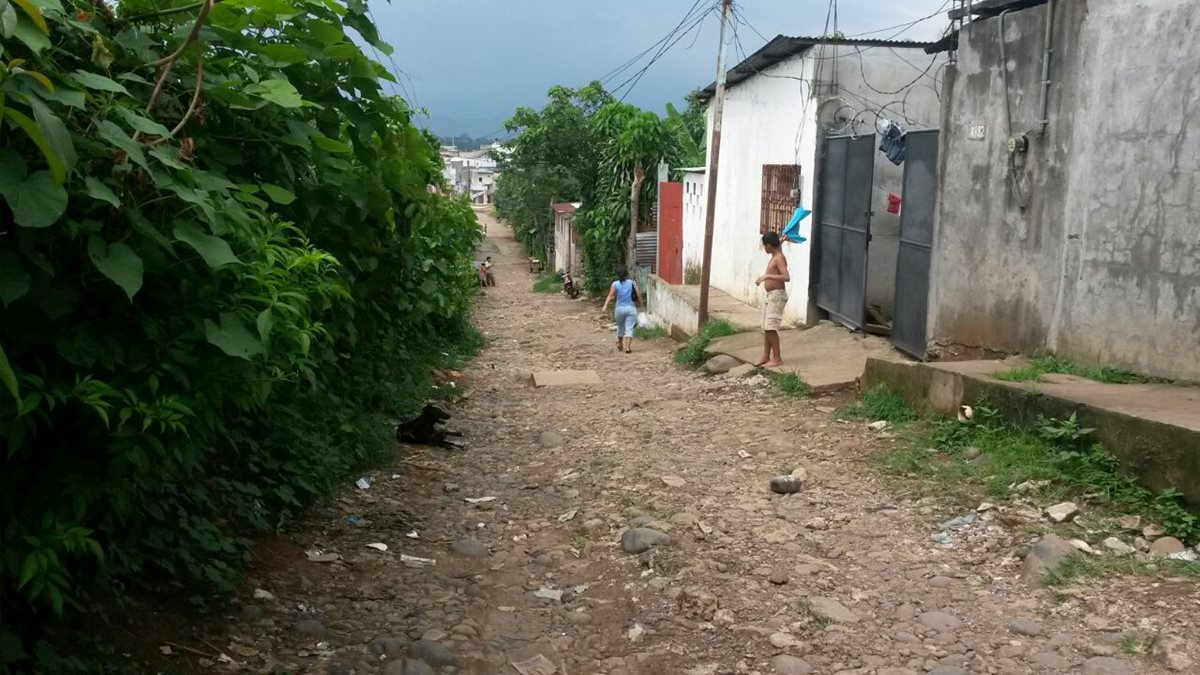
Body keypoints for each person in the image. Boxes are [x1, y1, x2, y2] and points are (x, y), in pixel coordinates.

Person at [755, 231, 790, 367]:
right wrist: (780, 242)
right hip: (771, 296)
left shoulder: (778, 257)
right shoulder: (776, 253)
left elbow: (786, 277)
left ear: (769, 245)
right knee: (766, 326)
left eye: (764, 246)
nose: (764, 248)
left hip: (777, 296)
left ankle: (777, 358)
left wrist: (767, 276)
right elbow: (777, 250)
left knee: (771, 327)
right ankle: (765, 355)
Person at [601, 264, 641, 353]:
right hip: (631, 309)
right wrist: (640, 304)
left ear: (617, 275)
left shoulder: (615, 284)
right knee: (629, 327)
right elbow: (638, 295)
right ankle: (628, 347)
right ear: (626, 274)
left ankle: (620, 344)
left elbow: (610, 295)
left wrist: (605, 306)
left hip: (619, 309)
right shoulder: (632, 283)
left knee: (620, 327)